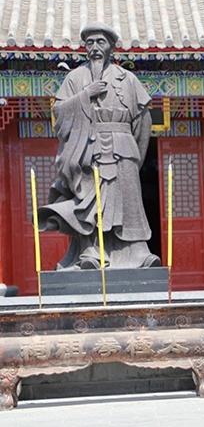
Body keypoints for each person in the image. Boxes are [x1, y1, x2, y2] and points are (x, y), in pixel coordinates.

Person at [38, 22, 160, 270]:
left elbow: (143, 121)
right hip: (88, 150)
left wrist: (135, 156)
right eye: (90, 42)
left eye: (100, 42)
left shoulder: (128, 79)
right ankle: (90, 254)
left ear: (112, 48)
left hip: (123, 150)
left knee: (128, 204)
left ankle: (136, 254)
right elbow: (59, 112)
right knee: (90, 202)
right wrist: (86, 95)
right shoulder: (74, 78)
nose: (95, 48)